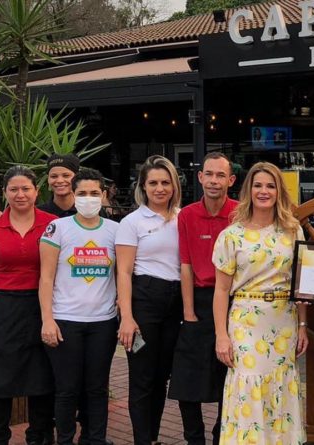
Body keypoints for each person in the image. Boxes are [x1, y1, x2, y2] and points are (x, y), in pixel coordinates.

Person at [212, 162, 308, 445]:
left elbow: (301, 283)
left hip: (284, 321)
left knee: (280, 386)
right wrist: (221, 335)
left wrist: (303, 325)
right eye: (257, 185)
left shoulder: (293, 231)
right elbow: (221, 290)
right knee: (248, 385)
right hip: (245, 321)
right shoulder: (231, 235)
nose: (263, 191)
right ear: (248, 190)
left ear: (279, 191)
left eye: (270, 186)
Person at [0, 166, 57, 445]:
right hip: (2, 307)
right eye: (14, 189)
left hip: (41, 306)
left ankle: (38, 436)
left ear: (36, 191)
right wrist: (4, 284)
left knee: (41, 374)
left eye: (26, 189)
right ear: (5, 193)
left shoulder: (52, 223)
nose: (20, 194)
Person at [38, 168, 119, 445]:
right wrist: (47, 320)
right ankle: (65, 440)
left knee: (97, 389)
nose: (88, 198)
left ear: (103, 195)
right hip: (65, 321)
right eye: (82, 193)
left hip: (103, 323)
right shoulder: (58, 228)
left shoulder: (115, 231)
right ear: (73, 195)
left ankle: (95, 439)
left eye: (94, 193)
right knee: (67, 389)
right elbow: (46, 278)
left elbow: (122, 275)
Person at [167, 152, 237, 445]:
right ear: (200, 177)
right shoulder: (187, 214)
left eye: (220, 175)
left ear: (231, 180)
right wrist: (188, 311)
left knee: (229, 376)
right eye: (209, 174)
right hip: (197, 299)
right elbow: (185, 264)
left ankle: (222, 434)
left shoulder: (240, 213)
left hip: (234, 302)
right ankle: (194, 439)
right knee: (186, 379)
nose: (214, 181)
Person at [115, 155, 183, 445]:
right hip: (144, 300)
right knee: (142, 377)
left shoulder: (183, 217)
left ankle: (153, 438)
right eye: (153, 183)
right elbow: (123, 271)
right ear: (143, 186)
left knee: (161, 377)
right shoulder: (132, 222)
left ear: (174, 185)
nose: (159, 188)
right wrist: (127, 317)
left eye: (165, 182)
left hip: (176, 302)